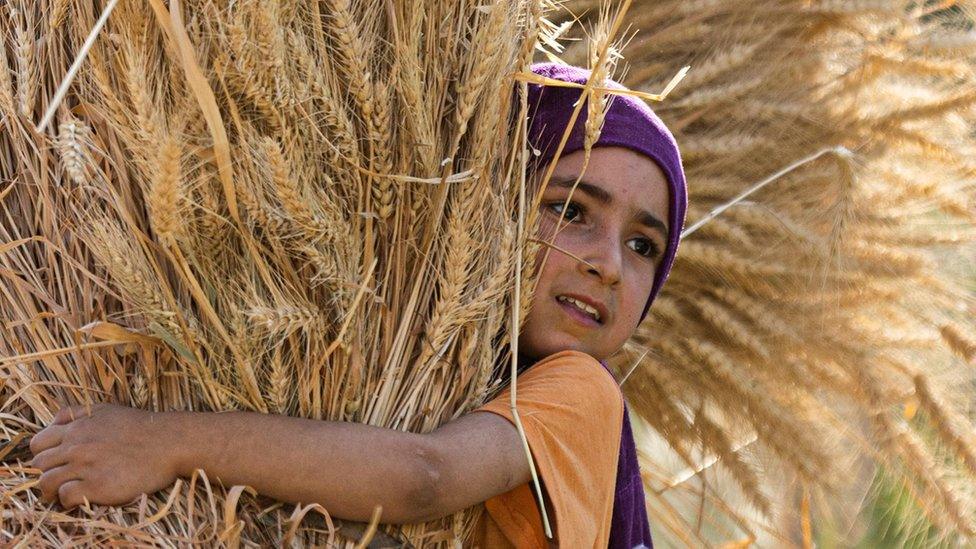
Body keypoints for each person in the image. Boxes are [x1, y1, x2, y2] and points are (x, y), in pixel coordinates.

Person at [28, 63, 687, 548]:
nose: (607, 263)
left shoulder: (581, 393)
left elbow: (425, 475)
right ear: (492, 209)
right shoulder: (458, 374)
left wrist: (163, 442)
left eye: (643, 244)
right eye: (569, 211)